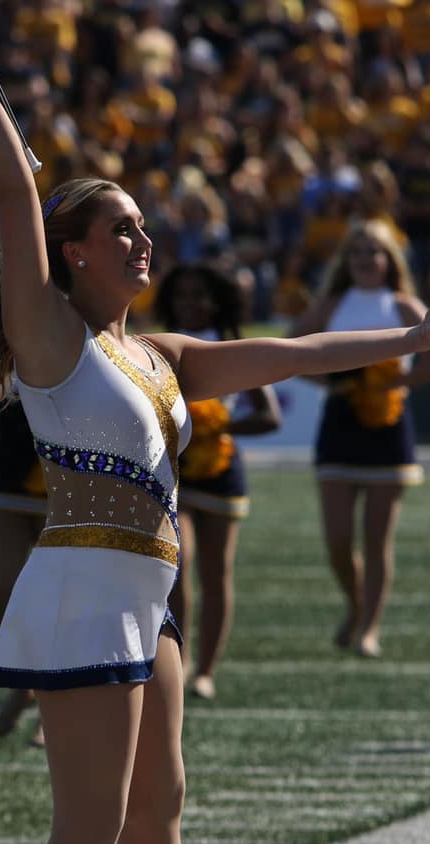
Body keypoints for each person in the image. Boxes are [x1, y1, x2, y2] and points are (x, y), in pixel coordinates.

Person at [0, 4, 430, 844]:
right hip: (81, 595)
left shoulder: (161, 353)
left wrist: (411, 335)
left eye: (146, 227)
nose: (144, 242)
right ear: (74, 252)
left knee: (160, 813)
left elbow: (297, 351)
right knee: (91, 828)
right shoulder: (51, 336)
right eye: (122, 230)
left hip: (146, 602)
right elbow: (16, 193)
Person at [291, 219, 430, 659]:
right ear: (347, 261)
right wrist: (331, 385)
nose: (366, 259)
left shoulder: (402, 304)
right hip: (340, 423)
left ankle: (369, 627)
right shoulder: (331, 304)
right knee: (338, 537)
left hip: (387, 425)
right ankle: (356, 602)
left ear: (390, 260)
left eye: (375, 251)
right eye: (358, 252)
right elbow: (288, 349)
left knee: (377, 537)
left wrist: (395, 383)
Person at [154, 262, 282, 700]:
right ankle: (181, 661)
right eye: (182, 295)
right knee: (178, 565)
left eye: (199, 295)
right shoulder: (159, 348)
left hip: (222, 473)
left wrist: (219, 427)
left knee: (216, 573)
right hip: (174, 473)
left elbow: (269, 415)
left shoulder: (230, 347)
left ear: (218, 301)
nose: (189, 304)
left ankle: (206, 669)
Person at [0, 399, 47, 746]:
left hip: (69, 466)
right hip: (6, 470)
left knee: (64, 597)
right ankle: (21, 685)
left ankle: (56, 705)